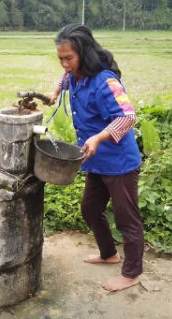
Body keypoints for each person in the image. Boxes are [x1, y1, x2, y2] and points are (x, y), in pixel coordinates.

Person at [48, 23, 145, 292]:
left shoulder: (106, 81)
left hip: (120, 163)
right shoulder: (75, 75)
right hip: (97, 162)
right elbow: (64, 78)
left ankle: (132, 272)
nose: (65, 64)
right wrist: (54, 93)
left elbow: (128, 117)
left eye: (69, 58)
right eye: (60, 58)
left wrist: (99, 137)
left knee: (127, 220)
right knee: (90, 209)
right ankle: (108, 254)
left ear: (84, 53)